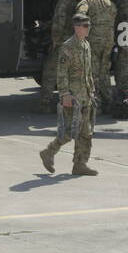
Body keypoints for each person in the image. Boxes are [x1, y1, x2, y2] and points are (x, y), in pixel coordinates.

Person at [39, 14, 99, 177]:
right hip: (73, 98)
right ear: (76, 27)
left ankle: (80, 164)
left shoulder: (86, 45)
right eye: (85, 26)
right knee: (69, 132)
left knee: (86, 133)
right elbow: (62, 73)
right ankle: (48, 152)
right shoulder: (68, 47)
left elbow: (88, 72)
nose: (88, 28)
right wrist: (64, 94)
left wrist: (91, 91)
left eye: (89, 25)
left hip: (85, 96)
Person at [75, 0, 116, 113]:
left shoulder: (86, 2)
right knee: (104, 71)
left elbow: (80, 16)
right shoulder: (109, 2)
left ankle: (95, 105)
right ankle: (109, 102)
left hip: (94, 41)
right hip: (108, 41)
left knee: (92, 72)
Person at [39, 0, 76, 112]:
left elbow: (58, 25)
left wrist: (54, 43)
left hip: (62, 44)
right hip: (72, 43)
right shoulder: (72, 2)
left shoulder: (61, 4)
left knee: (49, 72)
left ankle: (45, 104)